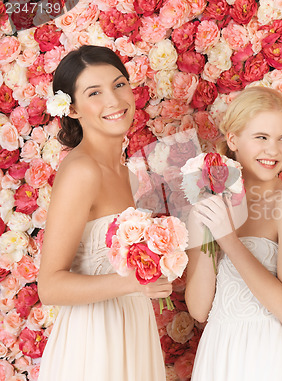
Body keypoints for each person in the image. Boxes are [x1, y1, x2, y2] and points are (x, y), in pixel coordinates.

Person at [37, 45, 171, 381]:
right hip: (94, 340)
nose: (113, 100)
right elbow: (50, 286)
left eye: (119, 84)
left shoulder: (132, 176)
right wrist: (131, 282)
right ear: (73, 109)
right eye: (94, 92)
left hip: (134, 327)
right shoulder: (82, 170)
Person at [185, 86, 282, 380]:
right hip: (220, 353)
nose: (273, 150)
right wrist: (207, 227)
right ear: (233, 140)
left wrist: (228, 240)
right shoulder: (208, 204)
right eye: (261, 138)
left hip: (271, 355)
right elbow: (199, 309)